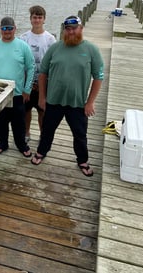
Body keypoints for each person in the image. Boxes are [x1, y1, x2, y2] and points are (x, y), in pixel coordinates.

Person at [31, 15, 104, 177]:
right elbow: (42, 73)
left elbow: (98, 76)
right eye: (68, 28)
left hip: (78, 103)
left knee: (80, 134)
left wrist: (90, 102)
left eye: (74, 28)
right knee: (47, 130)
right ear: (64, 30)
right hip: (53, 101)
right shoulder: (55, 48)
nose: (71, 32)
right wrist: (42, 97)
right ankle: (41, 152)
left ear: (81, 28)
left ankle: (83, 160)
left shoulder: (91, 50)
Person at [0, 16, 35, 158]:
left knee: (19, 122)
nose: (7, 31)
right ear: (0, 29)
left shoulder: (23, 46)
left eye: (10, 28)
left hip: (17, 93)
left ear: (15, 29)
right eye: (4, 28)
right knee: (0, 121)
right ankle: (2, 143)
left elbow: (31, 68)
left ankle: (21, 145)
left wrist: (27, 89)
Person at [20, 5, 56, 143]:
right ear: (30, 19)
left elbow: (53, 62)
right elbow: (20, 62)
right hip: (26, 82)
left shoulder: (50, 39)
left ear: (44, 19)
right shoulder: (23, 38)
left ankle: (43, 135)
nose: (37, 20)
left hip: (44, 83)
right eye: (34, 17)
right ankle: (26, 133)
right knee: (26, 110)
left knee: (42, 111)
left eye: (40, 17)